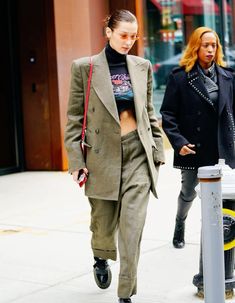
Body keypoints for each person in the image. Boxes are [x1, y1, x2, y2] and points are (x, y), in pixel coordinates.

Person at [64, 9, 165, 303]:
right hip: (101, 157)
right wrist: (76, 161)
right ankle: (100, 257)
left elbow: (148, 113)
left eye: (134, 36)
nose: (129, 41)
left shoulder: (142, 66)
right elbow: (73, 118)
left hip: (137, 153)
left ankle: (125, 294)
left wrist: (156, 151)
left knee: (132, 228)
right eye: (123, 35)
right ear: (108, 32)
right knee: (103, 225)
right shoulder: (85, 67)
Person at [160, 26, 235, 249]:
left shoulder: (228, 76)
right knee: (188, 192)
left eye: (214, 45)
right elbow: (168, 114)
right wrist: (179, 143)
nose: (210, 50)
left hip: (222, 147)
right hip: (194, 147)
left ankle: (220, 233)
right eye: (206, 45)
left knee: (225, 194)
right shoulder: (180, 78)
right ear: (196, 47)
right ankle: (180, 222)